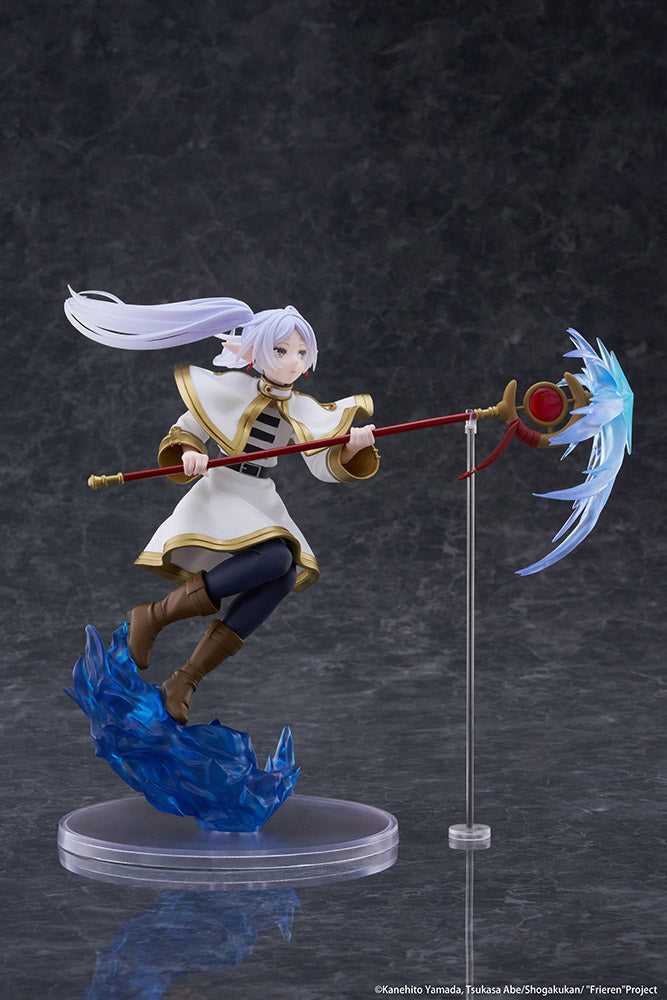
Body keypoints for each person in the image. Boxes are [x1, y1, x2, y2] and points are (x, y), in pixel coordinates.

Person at [65, 289, 379, 724]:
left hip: (259, 495)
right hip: (223, 490)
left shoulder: (303, 409)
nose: (293, 360)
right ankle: (153, 617)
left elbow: (321, 463)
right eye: (282, 350)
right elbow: (186, 429)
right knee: (276, 557)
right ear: (257, 351)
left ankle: (184, 680)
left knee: (283, 575)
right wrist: (190, 452)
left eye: (301, 351)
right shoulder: (226, 387)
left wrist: (351, 447)